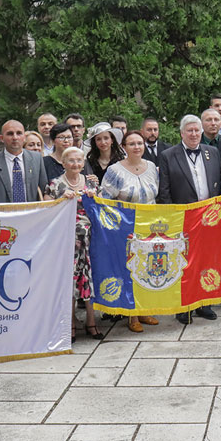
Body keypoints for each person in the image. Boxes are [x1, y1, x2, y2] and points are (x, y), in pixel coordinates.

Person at [159, 115, 221, 324]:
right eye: (190, 131)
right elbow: (164, 190)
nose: (194, 134)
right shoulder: (168, 155)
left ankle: (204, 303)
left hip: (209, 219)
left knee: (207, 260)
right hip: (183, 219)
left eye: (197, 130)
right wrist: (172, 217)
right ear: (182, 133)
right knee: (185, 263)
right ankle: (184, 307)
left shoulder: (212, 152)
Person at [99, 129, 162, 332]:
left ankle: (144, 309)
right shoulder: (115, 170)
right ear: (124, 147)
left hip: (149, 225)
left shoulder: (152, 167)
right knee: (129, 269)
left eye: (140, 143)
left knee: (146, 268)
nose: (137, 147)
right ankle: (131, 314)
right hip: (125, 227)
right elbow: (105, 200)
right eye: (132, 144)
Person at [46, 146, 102, 339]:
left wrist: (96, 198)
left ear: (83, 163)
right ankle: (70, 324)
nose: (75, 164)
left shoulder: (91, 183)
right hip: (66, 242)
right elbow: (45, 210)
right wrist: (61, 200)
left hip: (90, 240)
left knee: (90, 278)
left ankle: (91, 321)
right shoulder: (55, 184)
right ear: (63, 163)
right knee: (69, 280)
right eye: (71, 160)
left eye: (79, 160)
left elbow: (103, 210)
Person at [0, 120, 49, 203]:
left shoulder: (36, 158)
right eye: (10, 134)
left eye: (19, 133)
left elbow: (45, 189)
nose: (15, 137)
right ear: (1, 138)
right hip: (3, 211)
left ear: (24, 137)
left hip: (31, 210)